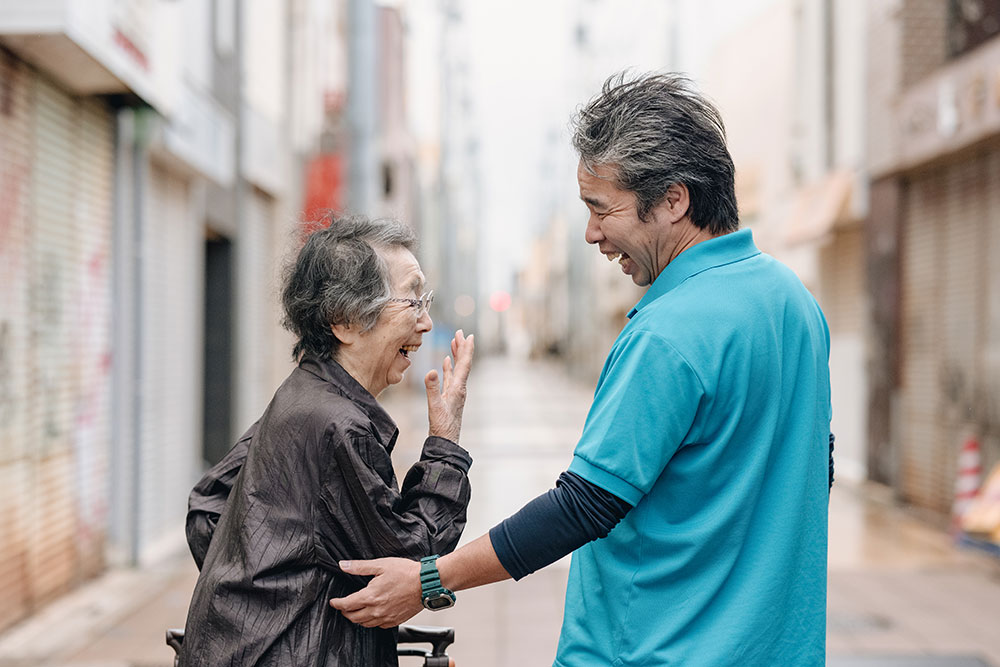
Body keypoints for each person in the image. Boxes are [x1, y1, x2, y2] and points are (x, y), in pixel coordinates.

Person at [329, 72, 833, 666]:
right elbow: (811, 469)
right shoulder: (794, 302)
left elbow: (583, 506)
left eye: (601, 209)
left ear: (674, 199)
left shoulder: (669, 331)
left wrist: (428, 580)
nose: (592, 233)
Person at [180, 215, 475, 666]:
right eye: (413, 301)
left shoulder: (301, 395)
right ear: (345, 320)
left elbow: (208, 506)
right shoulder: (339, 425)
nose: (426, 323)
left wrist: (267, 598)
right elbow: (413, 561)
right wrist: (445, 443)